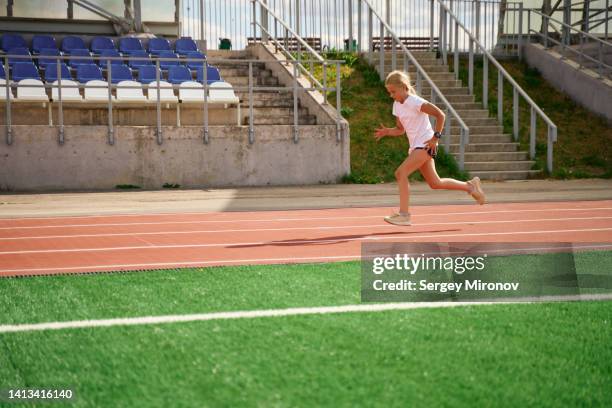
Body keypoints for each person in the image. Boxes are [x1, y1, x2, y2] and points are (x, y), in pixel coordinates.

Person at [375, 70, 485, 226]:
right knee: (435, 183)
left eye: (393, 91)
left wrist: (435, 138)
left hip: (426, 144)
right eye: (389, 92)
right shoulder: (396, 106)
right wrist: (388, 132)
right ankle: (470, 187)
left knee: (401, 173)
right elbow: (400, 129)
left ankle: (404, 215)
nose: (391, 95)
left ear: (404, 87)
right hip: (415, 147)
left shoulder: (415, 102)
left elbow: (440, 115)